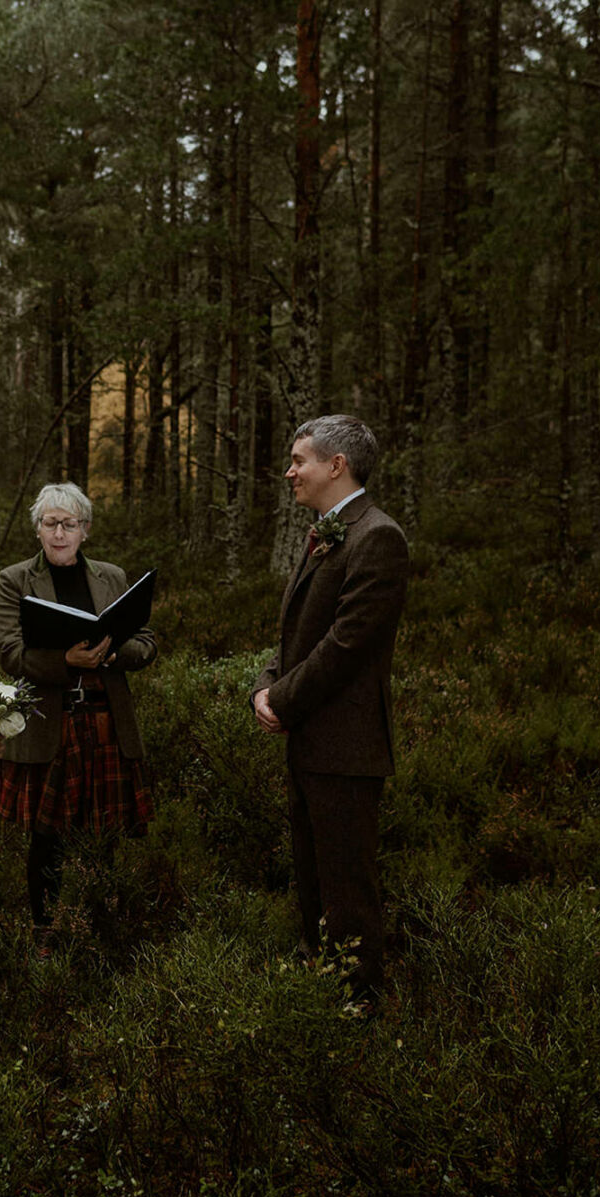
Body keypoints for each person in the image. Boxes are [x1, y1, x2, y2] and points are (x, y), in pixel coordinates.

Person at [250, 415, 409, 1004]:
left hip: (346, 747)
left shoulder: (377, 537)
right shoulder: (324, 531)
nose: (290, 471)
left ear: (335, 466)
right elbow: (297, 634)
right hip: (309, 742)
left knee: (348, 886)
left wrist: (283, 700)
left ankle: (359, 1005)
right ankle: (320, 997)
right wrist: (263, 687)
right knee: (312, 878)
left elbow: (346, 644)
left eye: (299, 460)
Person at [0, 482, 158, 946]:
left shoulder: (111, 577)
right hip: (50, 726)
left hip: (106, 724)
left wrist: (112, 653)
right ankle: (46, 930)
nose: (59, 533)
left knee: (106, 832)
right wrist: (66, 662)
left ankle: (99, 926)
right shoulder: (16, 579)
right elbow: (7, 649)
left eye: (69, 524)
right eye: (50, 523)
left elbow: (146, 641)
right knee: (48, 836)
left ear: (85, 530)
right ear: (38, 529)